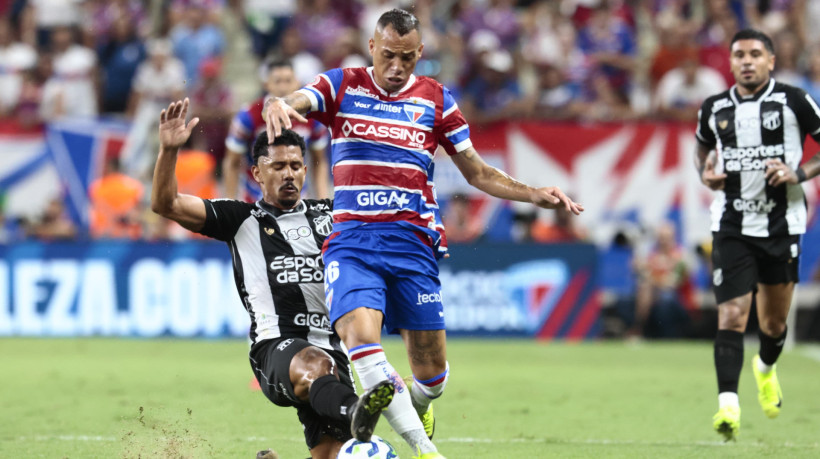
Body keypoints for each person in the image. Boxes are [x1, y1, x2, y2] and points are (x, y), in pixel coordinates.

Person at [263, 9, 583, 459]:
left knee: (431, 374)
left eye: (407, 59)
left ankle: (417, 403)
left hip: (412, 246)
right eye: (389, 56)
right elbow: (298, 99)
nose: (396, 68)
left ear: (420, 54)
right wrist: (278, 104)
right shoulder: (344, 84)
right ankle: (425, 451)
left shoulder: (437, 99)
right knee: (361, 343)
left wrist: (533, 194)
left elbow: (476, 172)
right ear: (372, 47)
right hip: (353, 243)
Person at [150, 98, 394, 459]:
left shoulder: (332, 215)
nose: (288, 173)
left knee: (332, 454)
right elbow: (166, 204)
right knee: (314, 363)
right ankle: (355, 409)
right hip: (276, 349)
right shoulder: (239, 219)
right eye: (277, 165)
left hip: (332, 351)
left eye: (296, 165)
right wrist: (169, 150)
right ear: (257, 174)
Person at [695, 29, 820, 441]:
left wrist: (797, 173)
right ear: (730, 63)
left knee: (773, 324)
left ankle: (765, 369)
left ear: (770, 60)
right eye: (739, 55)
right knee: (732, 314)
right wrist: (706, 174)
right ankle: (727, 405)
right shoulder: (713, 108)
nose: (746, 61)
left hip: (782, 224)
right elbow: (702, 151)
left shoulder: (794, 100)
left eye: (754, 54)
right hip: (731, 224)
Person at [223, 58, 329, 201]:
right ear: (267, 85)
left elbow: (319, 161)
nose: (283, 87)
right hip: (256, 200)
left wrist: (322, 201)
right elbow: (232, 162)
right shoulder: (248, 116)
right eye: (278, 81)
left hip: (297, 199)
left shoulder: (312, 117)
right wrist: (230, 202)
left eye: (288, 81)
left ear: (297, 82)